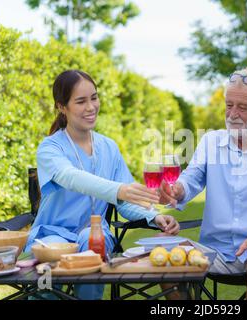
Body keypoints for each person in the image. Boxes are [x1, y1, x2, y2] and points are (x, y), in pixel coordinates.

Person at [25, 70, 179, 300]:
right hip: (52, 233)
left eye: (94, 98)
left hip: (94, 233)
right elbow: (70, 176)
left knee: (91, 240)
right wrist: (118, 189)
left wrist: (153, 216)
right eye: (80, 101)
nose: (91, 107)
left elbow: (125, 202)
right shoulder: (50, 148)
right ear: (61, 107)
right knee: (49, 273)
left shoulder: (109, 148)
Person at [159, 68, 247, 300]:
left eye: (242, 107)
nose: (232, 114)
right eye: (229, 105)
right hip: (213, 251)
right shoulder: (210, 141)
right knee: (162, 248)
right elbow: (192, 177)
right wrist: (177, 189)